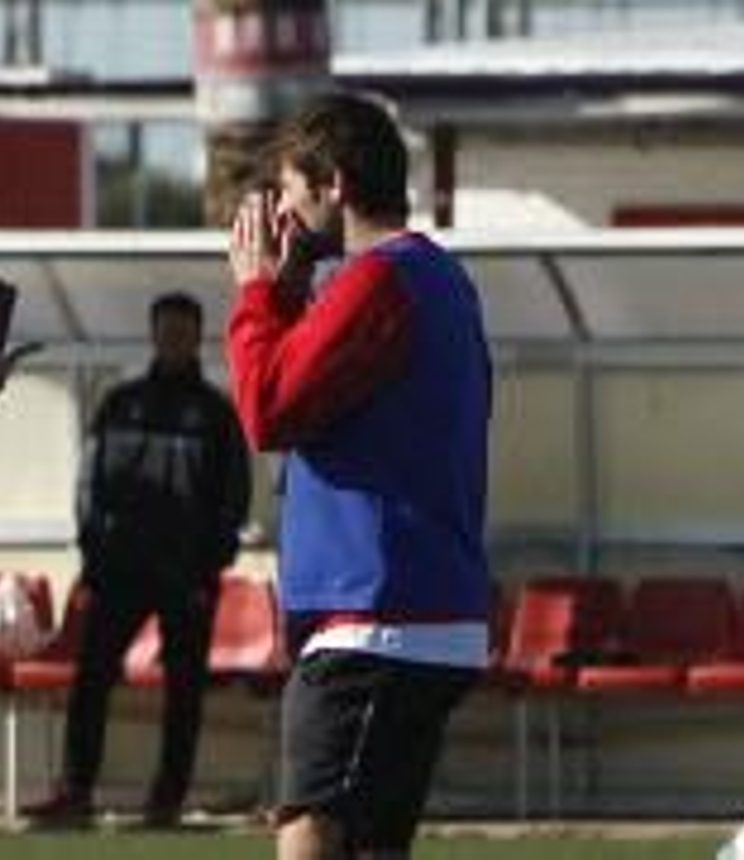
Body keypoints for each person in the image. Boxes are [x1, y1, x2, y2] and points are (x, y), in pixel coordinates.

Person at [225, 92, 493, 859]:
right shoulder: (443, 282)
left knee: (309, 825)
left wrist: (257, 292)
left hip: (373, 619)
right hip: (427, 615)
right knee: (372, 844)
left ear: (334, 183)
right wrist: (294, 294)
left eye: (292, 193)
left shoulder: (378, 280)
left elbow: (268, 408)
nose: (282, 216)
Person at [25, 290, 253, 829]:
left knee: (183, 695)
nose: (173, 339)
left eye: (183, 331)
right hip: (118, 571)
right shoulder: (120, 402)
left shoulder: (216, 414)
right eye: (165, 330)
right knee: (91, 682)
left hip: (187, 578)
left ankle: (165, 803)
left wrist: (208, 566)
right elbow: (89, 482)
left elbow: (234, 498)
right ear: (153, 334)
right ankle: (76, 794)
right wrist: (94, 552)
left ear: (198, 338)